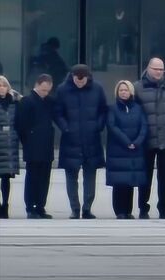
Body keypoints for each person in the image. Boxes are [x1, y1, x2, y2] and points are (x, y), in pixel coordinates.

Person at [54, 64, 108, 219]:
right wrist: (65, 128)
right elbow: (57, 113)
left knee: (90, 176)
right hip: (70, 140)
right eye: (76, 79)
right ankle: (75, 208)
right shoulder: (62, 90)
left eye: (82, 79)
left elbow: (103, 110)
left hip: (92, 139)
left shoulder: (97, 89)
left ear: (87, 77)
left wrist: (98, 126)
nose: (79, 82)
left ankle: (87, 208)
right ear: (71, 76)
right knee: (71, 177)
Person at [134, 57, 165, 219]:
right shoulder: (138, 87)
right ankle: (143, 207)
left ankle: (164, 207)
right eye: (156, 69)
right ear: (148, 68)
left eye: (161, 69)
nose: (158, 72)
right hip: (146, 139)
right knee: (145, 175)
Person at [15, 74, 56, 219]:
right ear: (37, 85)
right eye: (43, 90)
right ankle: (30, 207)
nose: (46, 93)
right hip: (32, 146)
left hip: (46, 146)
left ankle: (40, 206)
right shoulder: (26, 101)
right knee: (33, 177)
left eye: (48, 90)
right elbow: (20, 125)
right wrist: (27, 141)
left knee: (45, 178)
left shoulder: (49, 101)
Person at [105, 80, 148, 219]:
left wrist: (137, 142)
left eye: (126, 90)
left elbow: (144, 126)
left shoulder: (138, 108)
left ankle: (128, 210)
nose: (124, 92)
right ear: (117, 92)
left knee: (130, 181)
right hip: (119, 150)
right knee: (119, 183)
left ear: (131, 92)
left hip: (135, 150)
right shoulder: (112, 108)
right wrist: (126, 142)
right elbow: (112, 126)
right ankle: (119, 211)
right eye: (121, 90)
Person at [0, 76, 21, 218]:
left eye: (3, 85)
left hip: (9, 143)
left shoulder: (15, 102)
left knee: (6, 177)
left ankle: (5, 205)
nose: (1, 88)